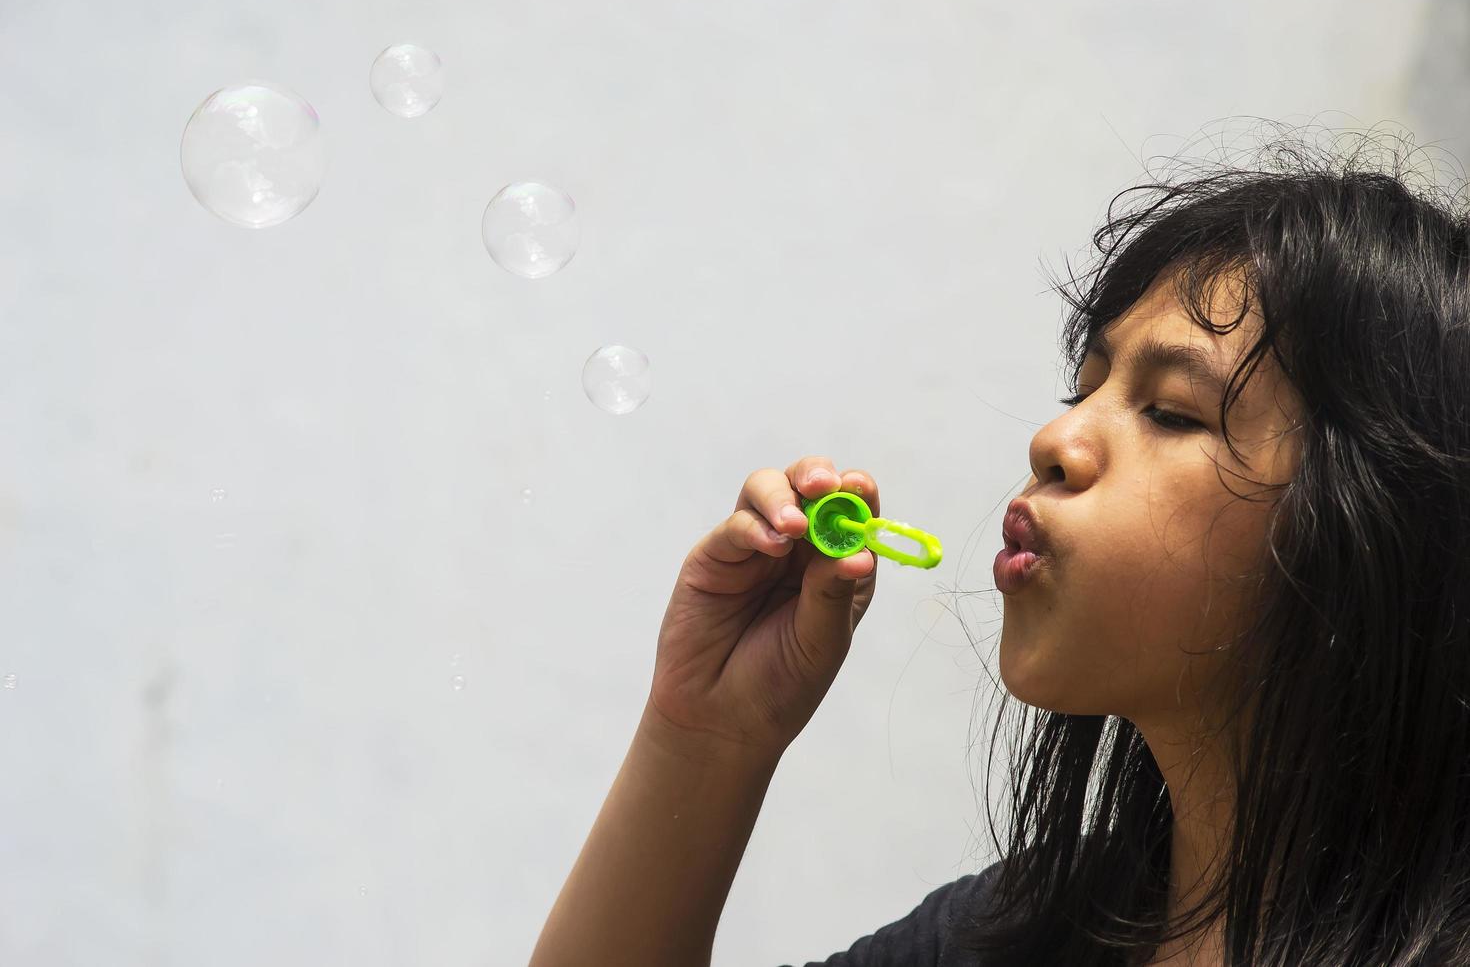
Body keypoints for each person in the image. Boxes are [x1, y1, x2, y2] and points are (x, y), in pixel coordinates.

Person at [527, 124, 1470, 967]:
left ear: (1374, 526)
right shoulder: (1013, 938)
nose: (1055, 443)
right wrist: (706, 735)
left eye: (1172, 411)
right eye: (1084, 390)